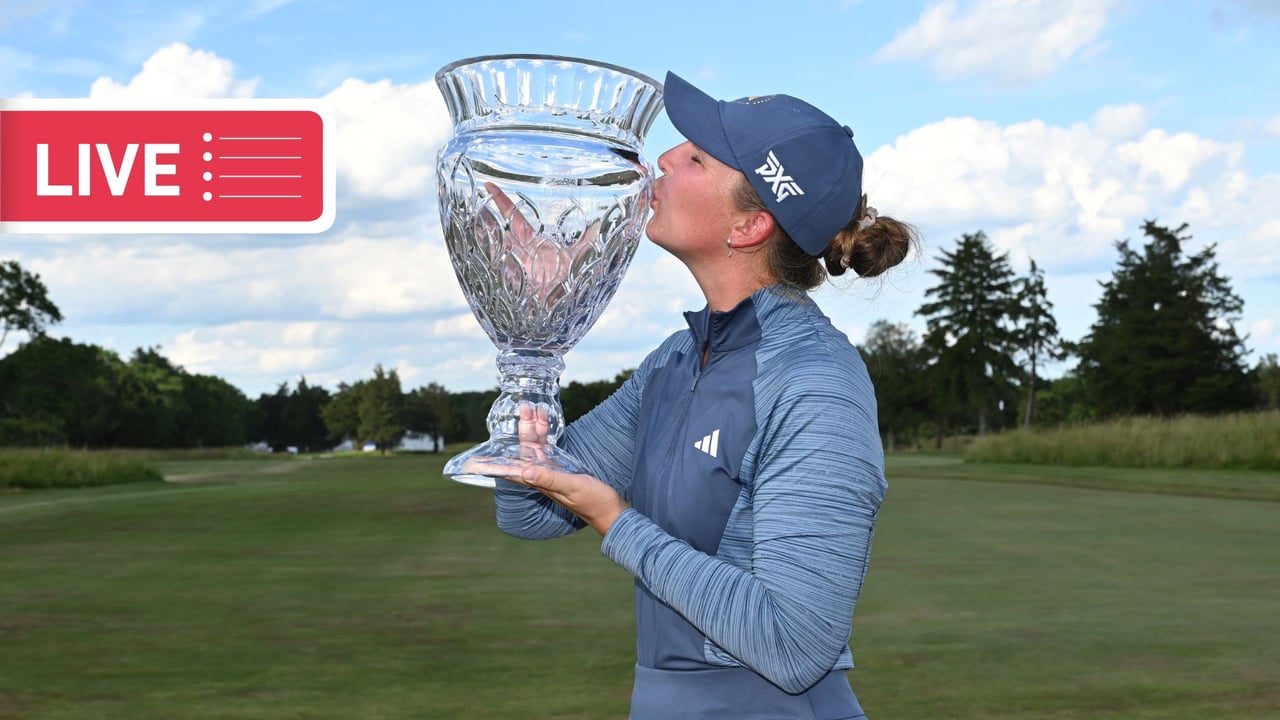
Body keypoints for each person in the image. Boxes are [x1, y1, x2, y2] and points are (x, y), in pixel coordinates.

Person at [477, 70, 916, 720]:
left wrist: (616, 522)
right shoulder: (677, 361)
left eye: (695, 156)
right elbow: (528, 510)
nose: (663, 158)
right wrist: (538, 329)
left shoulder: (817, 382)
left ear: (749, 227)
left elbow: (796, 647)